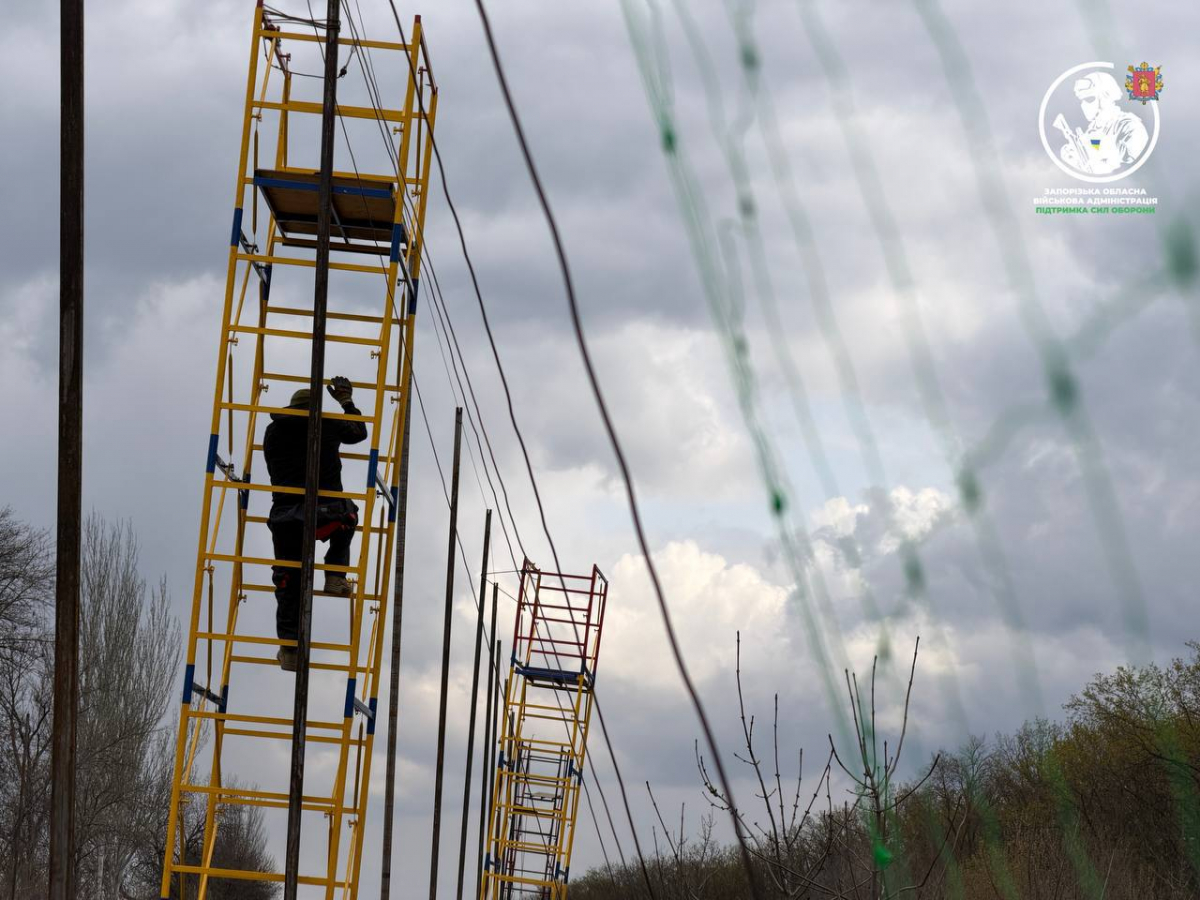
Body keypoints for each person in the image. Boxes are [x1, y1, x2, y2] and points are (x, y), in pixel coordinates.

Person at [263, 375, 367, 671]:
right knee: (349, 516)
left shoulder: (273, 431)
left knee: (287, 580)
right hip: (326, 513)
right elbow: (359, 433)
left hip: (286, 517)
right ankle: (335, 574)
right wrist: (345, 401)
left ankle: (290, 649)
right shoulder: (327, 425)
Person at [1058, 71, 1148, 175]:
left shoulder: (1129, 124)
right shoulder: (1092, 129)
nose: (1084, 105)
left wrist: (1091, 147)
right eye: (1081, 100)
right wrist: (1074, 159)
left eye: (1089, 99)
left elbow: (1126, 159)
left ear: (1106, 96)